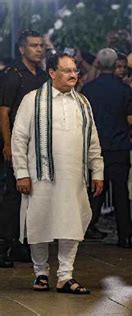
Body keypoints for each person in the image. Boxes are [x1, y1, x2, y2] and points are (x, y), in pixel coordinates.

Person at [11, 53, 103, 294]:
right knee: (39, 223)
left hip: (74, 177)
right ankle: (41, 273)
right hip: (40, 176)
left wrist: (98, 171)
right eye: (67, 70)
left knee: (71, 224)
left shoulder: (82, 102)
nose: (73, 75)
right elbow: (18, 138)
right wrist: (21, 172)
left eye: (75, 70)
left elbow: (92, 139)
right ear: (52, 73)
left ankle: (65, 275)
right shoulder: (33, 100)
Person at [0, 30, 48, 268]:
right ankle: (2, 246)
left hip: (35, 146)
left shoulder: (41, 76)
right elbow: (4, 112)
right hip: (16, 145)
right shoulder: (12, 75)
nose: (38, 49)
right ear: (22, 49)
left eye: (41, 46)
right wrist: (8, 144)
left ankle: (20, 244)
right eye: (33, 46)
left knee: (30, 197)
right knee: (11, 195)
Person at [82, 48, 132, 248]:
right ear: (116, 65)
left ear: (97, 63)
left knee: (96, 189)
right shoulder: (124, 90)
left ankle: (86, 226)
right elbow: (131, 119)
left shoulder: (88, 90)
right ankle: (125, 235)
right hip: (119, 146)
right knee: (121, 192)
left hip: (96, 148)